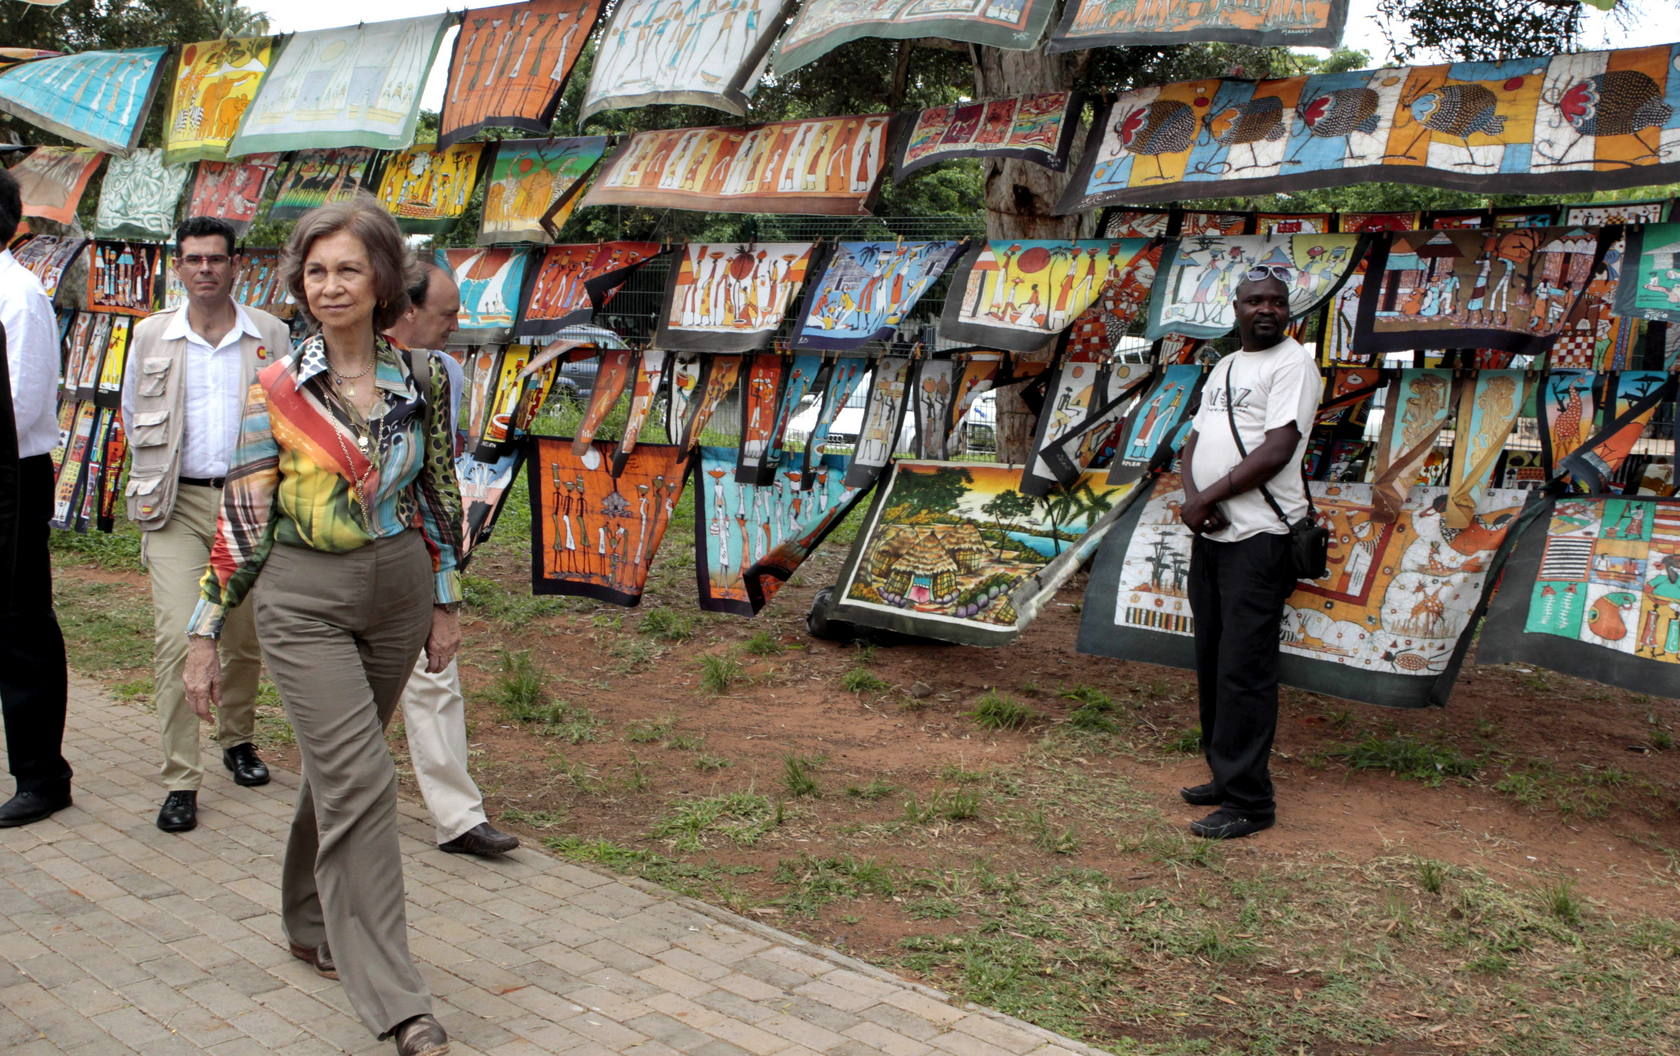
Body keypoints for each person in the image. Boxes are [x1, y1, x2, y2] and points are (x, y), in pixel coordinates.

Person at [183, 195, 457, 1056]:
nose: (330, 285)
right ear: (300, 284)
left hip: (400, 596)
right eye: (315, 270)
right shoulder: (274, 388)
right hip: (303, 602)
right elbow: (240, 519)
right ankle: (397, 999)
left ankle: (306, 917)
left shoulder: (426, 379)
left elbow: (436, 488)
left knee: (340, 774)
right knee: (366, 782)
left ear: (382, 281)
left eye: (348, 268)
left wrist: (446, 597)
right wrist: (203, 632)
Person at [123, 217, 291, 833]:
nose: (204, 270)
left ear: (235, 265)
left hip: (249, 505)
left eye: (215, 259)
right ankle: (179, 778)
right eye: (192, 259)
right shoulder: (151, 336)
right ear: (178, 266)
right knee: (178, 637)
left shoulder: (270, 333)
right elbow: (131, 414)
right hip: (176, 505)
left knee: (244, 637)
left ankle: (237, 738)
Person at [1175, 268, 1322, 840]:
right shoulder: (1226, 365)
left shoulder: (1294, 364)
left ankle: (1250, 802)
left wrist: (1207, 498)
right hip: (1213, 532)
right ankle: (1225, 771)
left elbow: (1279, 448)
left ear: (1289, 311)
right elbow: (1194, 438)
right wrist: (1195, 501)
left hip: (1260, 538)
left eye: (1277, 301)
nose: (1267, 309)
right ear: (1234, 307)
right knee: (1213, 661)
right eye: (1254, 300)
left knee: (1245, 670)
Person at [384, 261, 518, 858]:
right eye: (448, 314)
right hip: (341, 556)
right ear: (407, 310)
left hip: (418, 546)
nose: (456, 326)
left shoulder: (447, 373)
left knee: (436, 673)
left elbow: (445, 469)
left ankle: (459, 818)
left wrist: (446, 564)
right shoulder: (336, 366)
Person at [0, 168, 72, 827]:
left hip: (12, 474)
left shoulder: (18, 296)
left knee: (21, 624)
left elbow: (20, 407)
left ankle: (43, 776)